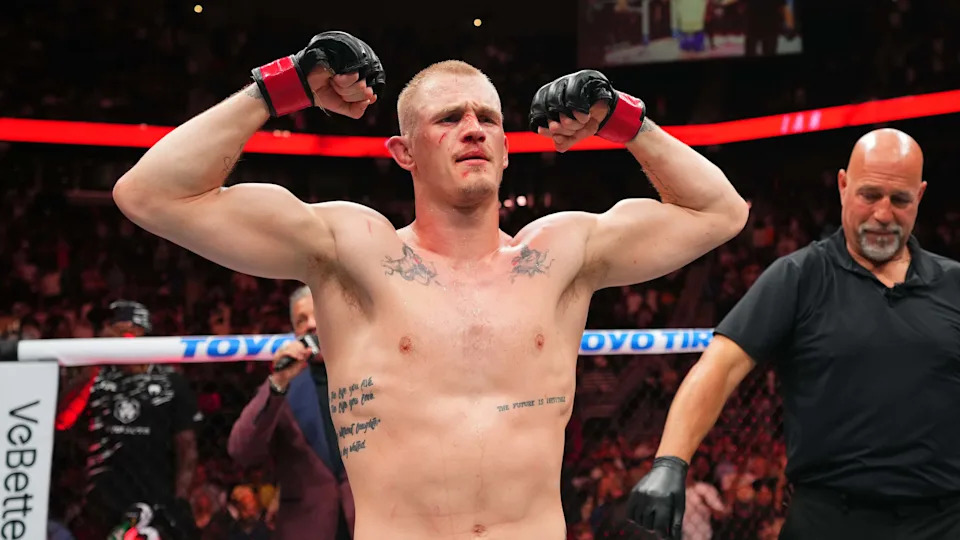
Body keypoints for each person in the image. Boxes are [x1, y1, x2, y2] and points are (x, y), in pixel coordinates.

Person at [113, 30, 748, 539]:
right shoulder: (351, 252)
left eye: (488, 119)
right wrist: (284, 86)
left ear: (506, 150)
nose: (473, 128)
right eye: (448, 118)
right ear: (403, 152)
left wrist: (622, 119)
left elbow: (721, 213)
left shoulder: (560, 256)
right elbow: (149, 194)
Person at [627, 128, 960, 539]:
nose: (883, 214)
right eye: (870, 195)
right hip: (830, 521)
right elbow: (720, 366)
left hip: (944, 521)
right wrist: (670, 461)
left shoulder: (954, 284)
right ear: (843, 186)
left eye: (900, 200)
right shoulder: (799, 276)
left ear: (920, 196)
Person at [63, 301, 200, 540]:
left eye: (116, 328)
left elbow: (186, 448)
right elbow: (62, 420)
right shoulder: (96, 376)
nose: (107, 334)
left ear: (137, 333)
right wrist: (93, 365)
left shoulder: (170, 382)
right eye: (106, 329)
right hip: (100, 501)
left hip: (155, 500)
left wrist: (179, 501)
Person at [228, 285, 354, 540]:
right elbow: (241, 450)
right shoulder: (285, 387)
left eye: (319, 314)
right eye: (301, 320)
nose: (311, 325)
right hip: (307, 528)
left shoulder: (372, 374)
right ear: (295, 332)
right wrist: (277, 384)